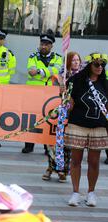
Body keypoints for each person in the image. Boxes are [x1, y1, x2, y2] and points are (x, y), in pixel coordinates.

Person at [66, 53, 108, 207]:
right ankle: (75, 193)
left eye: (102, 65)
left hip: (98, 127)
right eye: (97, 64)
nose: (100, 67)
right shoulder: (76, 81)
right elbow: (68, 103)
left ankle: (91, 193)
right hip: (78, 125)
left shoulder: (105, 84)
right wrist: (66, 100)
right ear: (89, 65)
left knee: (94, 162)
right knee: (76, 160)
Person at [42, 51, 82, 182]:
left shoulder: (83, 78)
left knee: (67, 145)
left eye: (78, 60)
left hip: (72, 116)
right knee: (52, 143)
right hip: (56, 114)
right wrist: (60, 88)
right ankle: (50, 168)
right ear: (68, 62)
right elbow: (49, 94)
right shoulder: (59, 77)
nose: (76, 62)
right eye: (73, 60)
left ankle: (63, 170)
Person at [22, 33, 63, 155]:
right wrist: (47, 72)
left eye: (46, 44)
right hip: (33, 93)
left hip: (49, 94)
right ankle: (29, 145)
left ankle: (47, 147)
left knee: (48, 119)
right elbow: (31, 71)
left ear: (51, 46)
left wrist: (40, 71)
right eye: (42, 44)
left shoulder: (58, 58)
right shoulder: (32, 56)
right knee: (31, 118)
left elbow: (56, 70)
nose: (43, 46)